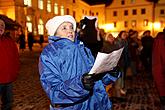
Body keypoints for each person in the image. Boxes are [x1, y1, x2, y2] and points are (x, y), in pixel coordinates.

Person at [38, 15, 121, 110]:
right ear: (55, 33)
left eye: (71, 27)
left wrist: (109, 74)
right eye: (64, 28)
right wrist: (80, 85)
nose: (70, 30)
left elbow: (96, 80)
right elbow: (54, 91)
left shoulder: (84, 49)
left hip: (95, 104)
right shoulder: (49, 54)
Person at [0, 19, 20, 110]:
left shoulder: (9, 41)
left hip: (8, 79)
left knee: (8, 103)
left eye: (2, 25)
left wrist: (14, 72)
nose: (1, 27)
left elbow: (15, 58)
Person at [152, 32, 165, 110]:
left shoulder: (157, 40)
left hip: (157, 66)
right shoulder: (161, 41)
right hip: (160, 66)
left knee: (160, 84)